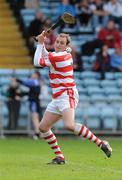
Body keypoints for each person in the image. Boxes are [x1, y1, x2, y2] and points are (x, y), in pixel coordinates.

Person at [34, 32, 112, 164]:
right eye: (57, 41)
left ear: (66, 46)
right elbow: (47, 55)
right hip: (57, 97)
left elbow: (37, 62)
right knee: (43, 127)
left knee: (69, 125)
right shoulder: (61, 54)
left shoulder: (59, 56)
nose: (58, 44)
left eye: (62, 43)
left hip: (67, 94)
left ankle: (101, 143)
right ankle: (60, 157)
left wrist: (40, 43)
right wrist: (42, 43)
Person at [16, 71, 41, 139]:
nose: (32, 75)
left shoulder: (35, 81)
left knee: (34, 117)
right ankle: (38, 132)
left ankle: (38, 133)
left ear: (36, 75)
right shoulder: (35, 82)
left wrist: (17, 80)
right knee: (34, 117)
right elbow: (29, 93)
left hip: (34, 102)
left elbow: (26, 83)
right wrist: (20, 95)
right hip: (33, 102)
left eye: (33, 74)